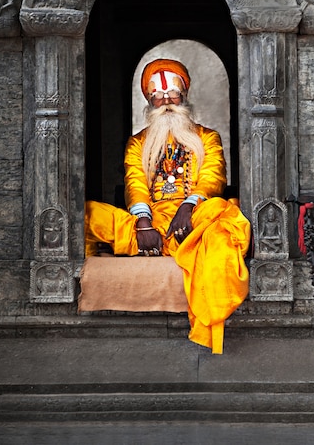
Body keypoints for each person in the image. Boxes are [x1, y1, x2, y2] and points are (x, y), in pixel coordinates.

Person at [85, 58, 251, 353]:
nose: (166, 100)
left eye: (172, 93)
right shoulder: (138, 142)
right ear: (149, 100)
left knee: (223, 217)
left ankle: (184, 255)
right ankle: (148, 243)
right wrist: (144, 224)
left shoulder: (207, 137)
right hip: (149, 228)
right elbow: (135, 183)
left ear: (184, 95)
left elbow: (214, 177)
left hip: (195, 222)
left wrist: (188, 209)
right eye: (157, 95)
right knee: (85, 214)